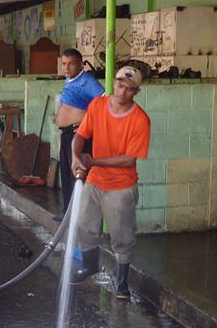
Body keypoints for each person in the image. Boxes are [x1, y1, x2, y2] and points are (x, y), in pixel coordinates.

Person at [69, 65, 150, 300]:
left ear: (136, 92)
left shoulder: (140, 120)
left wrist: (92, 160)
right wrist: (76, 156)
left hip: (121, 187)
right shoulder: (97, 106)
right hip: (95, 181)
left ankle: (122, 281)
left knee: (121, 236)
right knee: (84, 224)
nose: (122, 91)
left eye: (128, 88)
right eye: (119, 84)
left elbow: (128, 160)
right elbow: (81, 134)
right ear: (114, 81)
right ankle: (90, 266)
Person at [56, 48, 103, 218]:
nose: (66, 68)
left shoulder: (87, 81)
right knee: (67, 175)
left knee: (78, 175)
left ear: (80, 64)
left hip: (79, 134)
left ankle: (81, 216)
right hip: (67, 134)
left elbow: (104, 102)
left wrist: (87, 122)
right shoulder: (70, 80)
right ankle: (68, 214)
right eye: (64, 64)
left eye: (71, 64)